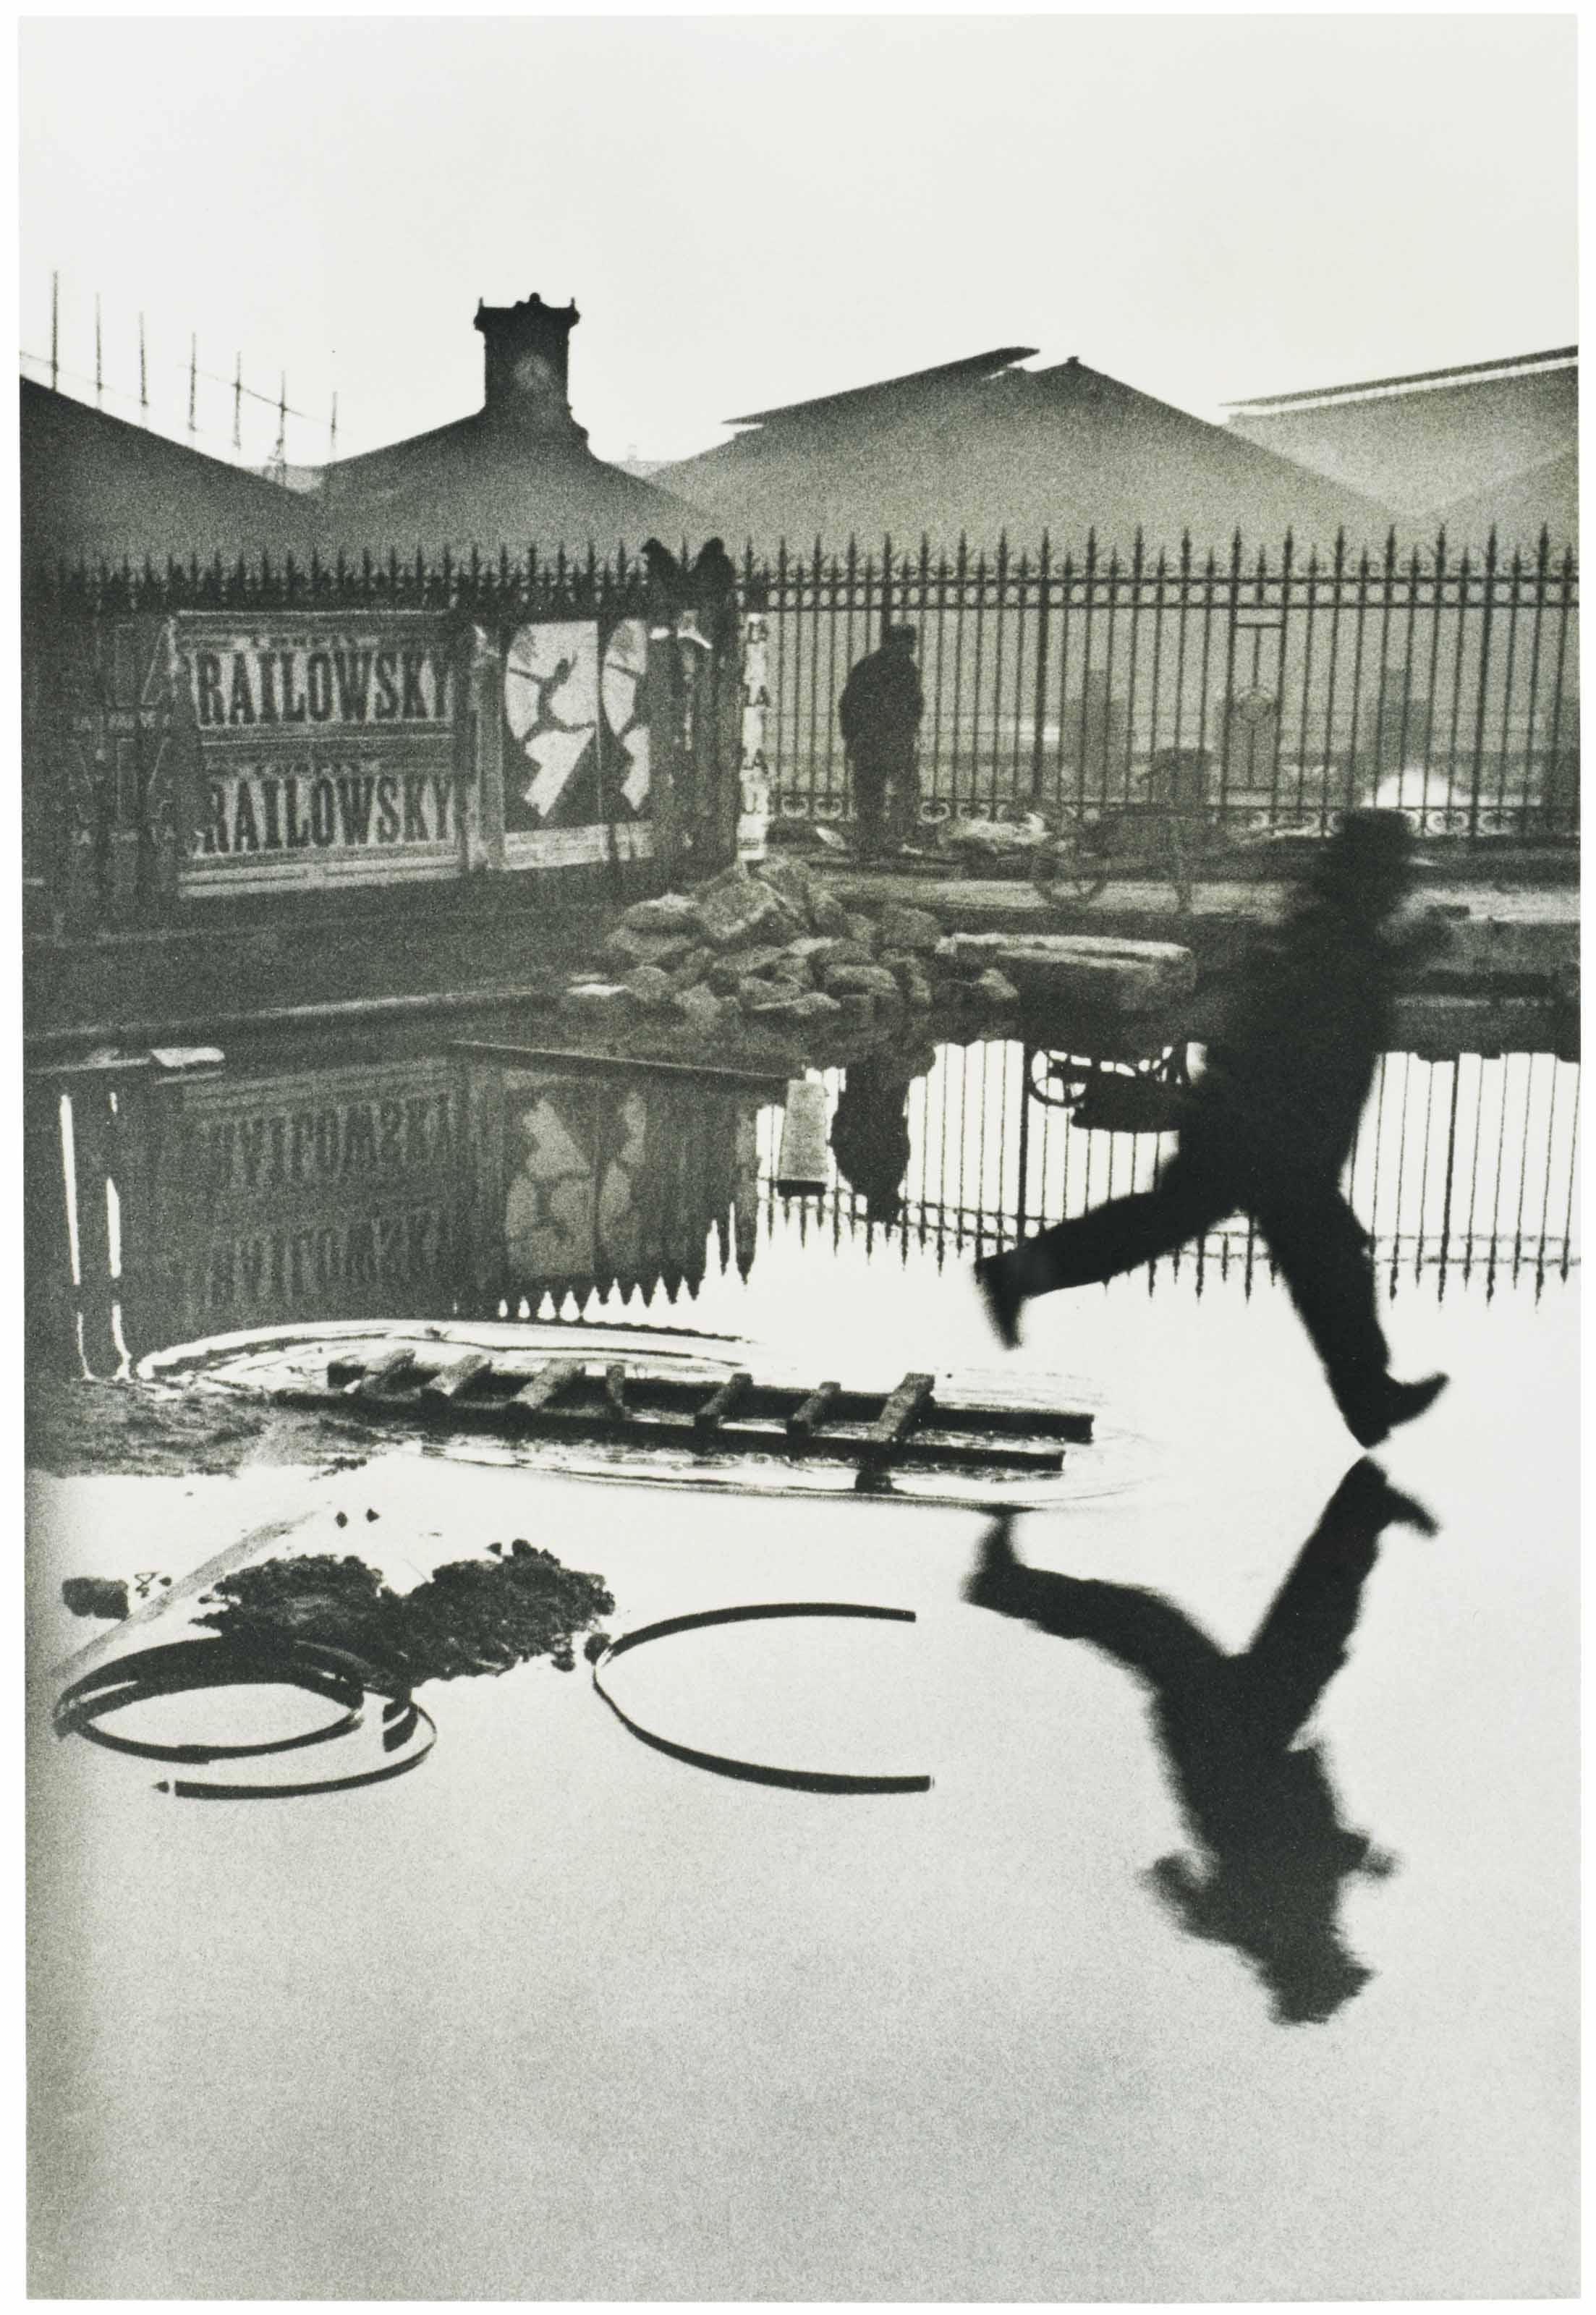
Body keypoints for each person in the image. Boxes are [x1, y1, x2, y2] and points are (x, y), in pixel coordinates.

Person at [975, 810, 1448, 1449]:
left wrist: (1396, 956)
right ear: (1370, 875)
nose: (1398, 889)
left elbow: (1328, 988)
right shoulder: (1326, 933)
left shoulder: (1327, 922)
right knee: (1324, 1258)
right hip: (1265, 1132)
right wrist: (1400, 956)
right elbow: (1311, 1018)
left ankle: (1017, 1275)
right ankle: (1367, 1396)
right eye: (1392, 876)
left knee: (1194, 1229)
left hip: (1256, 1125)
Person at [964, 1459, 1437, 2023]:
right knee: (1305, 1625)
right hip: (1250, 1738)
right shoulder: (1274, 1926)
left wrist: (1358, 1857)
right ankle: (1364, 1508)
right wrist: (1198, 1898)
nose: (1343, 1948)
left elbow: (1292, 1860)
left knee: (1173, 1628)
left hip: (1230, 1746)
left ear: (1314, 1962)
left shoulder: (1279, 1925)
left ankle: (1001, 1583)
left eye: (1338, 1961)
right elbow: (1196, 1885)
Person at [837, 624, 924, 857]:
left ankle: (869, 843)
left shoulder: (865, 667)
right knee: (904, 791)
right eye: (910, 643)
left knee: (869, 793)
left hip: (869, 741)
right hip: (892, 740)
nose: (913, 648)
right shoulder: (906, 669)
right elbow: (914, 706)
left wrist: (852, 737)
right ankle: (893, 842)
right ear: (897, 643)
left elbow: (846, 705)